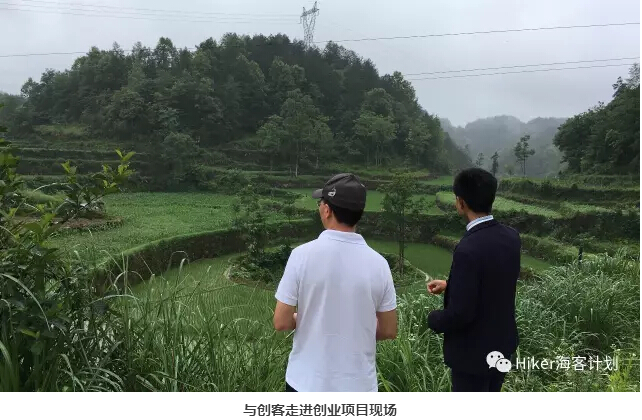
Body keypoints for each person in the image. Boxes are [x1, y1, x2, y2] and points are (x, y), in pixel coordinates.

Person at [273, 173, 398, 392]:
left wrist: (310, 320)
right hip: (359, 386)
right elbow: (389, 330)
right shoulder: (379, 264)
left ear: (327, 210)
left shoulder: (301, 256)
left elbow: (281, 322)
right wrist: (355, 328)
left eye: (321, 202)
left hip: (305, 383)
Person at [426, 168, 521, 392]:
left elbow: (461, 314)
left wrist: (433, 319)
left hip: (473, 357)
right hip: (501, 347)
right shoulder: (511, 237)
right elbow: (496, 281)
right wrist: (451, 286)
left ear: (461, 202)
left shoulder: (468, 248)